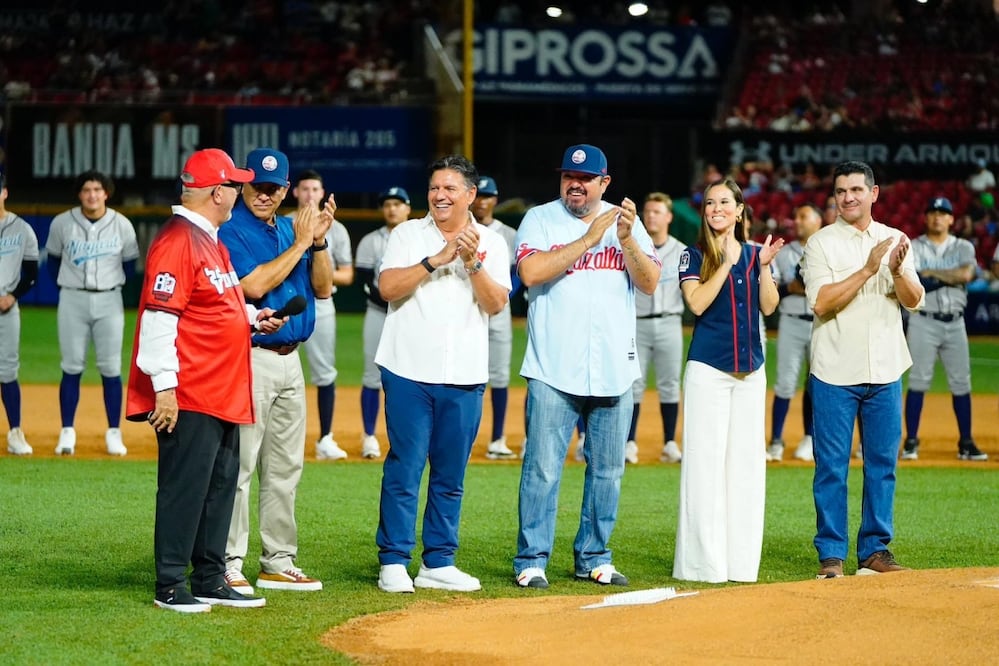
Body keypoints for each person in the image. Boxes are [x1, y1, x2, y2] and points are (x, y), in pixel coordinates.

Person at [126, 148, 270, 612]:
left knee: (219, 487)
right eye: (235, 184)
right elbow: (158, 318)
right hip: (191, 392)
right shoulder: (177, 240)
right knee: (185, 488)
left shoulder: (210, 239)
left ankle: (209, 577)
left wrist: (249, 317)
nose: (241, 191)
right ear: (216, 192)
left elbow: (214, 303)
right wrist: (164, 388)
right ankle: (170, 583)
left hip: (223, 391)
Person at [513, 144, 660, 590]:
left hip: (614, 367)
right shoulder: (539, 219)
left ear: (604, 182)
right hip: (552, 367)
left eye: (585, 178)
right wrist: (590, 238)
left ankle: (594, 555)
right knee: (541, 468)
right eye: (567, 177)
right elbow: (531, 273)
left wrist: (628, 239)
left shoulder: (626, 224)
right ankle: (532, 559)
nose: (574, 184)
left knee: (608, 470)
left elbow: (651, 283)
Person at [374, 155, 510, 594]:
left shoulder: (492, 241)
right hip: (408, 369)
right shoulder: (407, 234)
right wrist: (437, 259)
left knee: (450, 475)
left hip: (465, 373)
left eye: (450, 188)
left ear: (471, 195)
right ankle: (394, 560)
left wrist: (470, 261)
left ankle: (438, 561)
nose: (440, 195)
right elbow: (388, 289)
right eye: (435, 188)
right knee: (405, 468)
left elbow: (495, 304)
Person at [801, 160, 924, 579]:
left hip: (886, 369)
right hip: (835, 369)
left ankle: (874, 551)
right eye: (841, 191)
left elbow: (912, 299)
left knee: (882, 465)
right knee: (832, 467)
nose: (848, 197)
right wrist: (870, 269)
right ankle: (831, 555)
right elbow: (821, 302)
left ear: (874, 193)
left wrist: (895, 270)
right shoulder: (819, 244)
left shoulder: (896, 239)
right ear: (834, 197)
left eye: (856, 189)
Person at [219, 148, 334, 594]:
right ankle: (228, 561)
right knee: (242, 465)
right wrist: (303, 243)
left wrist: (319, 242)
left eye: (273, 188)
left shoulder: (291, 227)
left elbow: (322, 289)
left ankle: (277, 560)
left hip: (291, 363)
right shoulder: (231, 231)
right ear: (244, 185)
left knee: (286, 468)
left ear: (286, 190)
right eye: (257, 187)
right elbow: (253, 286)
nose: (264, 195)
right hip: (250, 357)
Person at [673, 178, 782, 583]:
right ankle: (703, 566)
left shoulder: (757, 254)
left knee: (746, 470)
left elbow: (768, 307)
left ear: (739, 210)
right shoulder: (693, 254)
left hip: (751, 374)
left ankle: (740, 565)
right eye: (709, 203)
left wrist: (764, 266)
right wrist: (726, 263)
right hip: (709, 372)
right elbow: (697, 302)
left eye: (725, 202)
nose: (716, 208)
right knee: (704, 467)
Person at [45, 170, 139, 456]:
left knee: (111, 368)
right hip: (73, 299)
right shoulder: (62, 222)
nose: (92, 195)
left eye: (98, 189)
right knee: (71, 366)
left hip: (109, 300)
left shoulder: (121, 224)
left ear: (106, 193)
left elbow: (131, 266)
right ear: (79, 194)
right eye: (87, 190)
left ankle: (113, 432)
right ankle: (67, 433)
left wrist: (117, 291)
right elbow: (52, 262)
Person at [902, 197, 986, 461]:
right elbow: (915, 282)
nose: (937, 217)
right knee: (918, 381)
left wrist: (933, 274)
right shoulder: (913, 245)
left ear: (951, 219)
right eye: (933, 212)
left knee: (961, 381)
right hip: (923, 320)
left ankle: (966, 442)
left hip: (955, 321)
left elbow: (965, 276)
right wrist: (948, 276)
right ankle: (911, 442)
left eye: (943, 213)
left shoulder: (963, 246)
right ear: (926, 217)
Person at [295, 169, 356, 460]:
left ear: (322, 193)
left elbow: (347, 274)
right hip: (288, 303)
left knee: (324, 372)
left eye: (315, 189)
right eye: (304, 188)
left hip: (321, 304)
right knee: (276, 364)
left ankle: (325, 438)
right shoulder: (283, 224)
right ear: (295, 192)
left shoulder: (337, 229)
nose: (309, 194)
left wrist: (319, 270)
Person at [626, 192, 685, 465]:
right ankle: (629, 442)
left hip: (670, 321)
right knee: (634, 383)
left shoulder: (682, 251)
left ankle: (670, 442)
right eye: (647, 211)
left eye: (658, 211)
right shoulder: (632, 246)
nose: (651, 216)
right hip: (637, 323)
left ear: (669, 217)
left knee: (670, 383)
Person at [355, 186, 410, 459]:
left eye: (398, 204)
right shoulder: (370, 241)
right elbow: (364, 280)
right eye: (387, 204)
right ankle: (369, 436)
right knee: (371, 375)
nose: (392, 208)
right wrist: (387, 299)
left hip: (409, 314)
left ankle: (405, 436)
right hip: (378, 313)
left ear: (408, 208)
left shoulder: (418, 238)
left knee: (410, 375)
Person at [767, 203, 823, 462]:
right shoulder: (784, 252)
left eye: (803, 216)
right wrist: (798, 286)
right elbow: (777, 289)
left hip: (820, 322)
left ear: (818, 221)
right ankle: (776, 440)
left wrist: (798, 286)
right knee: (785, 382)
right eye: (796, 216)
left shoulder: (827, 249)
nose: (797, 221)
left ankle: (809, 438)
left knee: (816, 382)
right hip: (790, 321)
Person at [471, 175, 518, 460]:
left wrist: (501, 298)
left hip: (499, 310)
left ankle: (498, 438)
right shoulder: (461, 228)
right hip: (468, 310)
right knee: (468, 373)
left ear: (495, 200)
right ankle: (467, 437)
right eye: (479, 196)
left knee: (499, 375)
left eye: (488, 196)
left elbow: (518, 273)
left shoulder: (508, 234)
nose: (483, 201)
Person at [0, 173, 40, 455]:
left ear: (4, 192)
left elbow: (31, 273)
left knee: (7, 370)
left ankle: (15, 433)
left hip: (7, 310)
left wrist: (14, 295)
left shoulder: (22, 229)